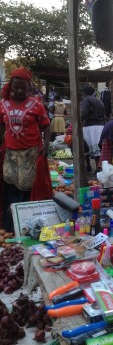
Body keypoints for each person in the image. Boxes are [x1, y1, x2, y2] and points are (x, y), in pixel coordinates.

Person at [0, 68, 50, 231]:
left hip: (30, 152)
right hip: (11, 153)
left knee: (26, 187)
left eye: (23, 88)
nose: (20, 91)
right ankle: (9, 224)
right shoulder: (3, 104)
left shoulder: (36, 105)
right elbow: (2, 125)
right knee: (10, 184)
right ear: (11, 86)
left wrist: (46, 145)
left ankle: (25, 225)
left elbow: (46, 126)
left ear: (28, 87)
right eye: (16, 87)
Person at [81, 85, 105, 171]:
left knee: (87, 147)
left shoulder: (86, 99)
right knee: (97, 148)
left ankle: (90, 167)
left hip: (90, 127)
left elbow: (84, 113)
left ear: (84, 93)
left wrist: (78, 121)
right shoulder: (100, 101)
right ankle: (99, 167)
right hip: (100, 126)